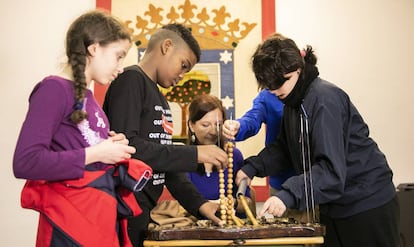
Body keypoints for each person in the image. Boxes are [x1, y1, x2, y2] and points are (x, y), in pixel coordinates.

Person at [234, 35, 400, 246]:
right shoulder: (294, 103)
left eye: (278, 83)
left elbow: (330, 171)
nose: (274, 91)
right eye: (268, 86)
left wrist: (287, 195)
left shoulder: (324, 100)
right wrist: (252, 167)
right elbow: (285, 149)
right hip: (334, 205)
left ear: (297, 69)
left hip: (366, 204)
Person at [13, 10, 146, 247]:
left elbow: (83, 153)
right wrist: (97, 153)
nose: (121, 67)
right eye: (119, 56)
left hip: (97, 220)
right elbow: (26, 161)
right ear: (94, 49)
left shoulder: (90, 99)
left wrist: (111, 149)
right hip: (69, 226)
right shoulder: (53, 89)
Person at [103, 23, 228, 247]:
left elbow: (167, 166)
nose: (182, 75)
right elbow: (127, 147)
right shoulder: (131, 80)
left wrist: (200, 205)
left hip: (143, 209)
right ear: (167, 46)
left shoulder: (161, 99)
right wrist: (195, 154)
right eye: (183, 65)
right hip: (122, 206)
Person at [186, 94, 254, 218]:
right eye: (205, 125)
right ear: (191, 125)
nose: (213, 131)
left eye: (218, 125)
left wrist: (233, 203)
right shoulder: (183, 158)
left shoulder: (234, 156)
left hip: (231, 230)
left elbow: (248, 203)